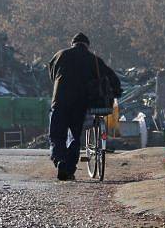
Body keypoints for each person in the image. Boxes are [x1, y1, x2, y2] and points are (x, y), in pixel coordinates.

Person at [48, 33, 121, 180]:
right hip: (80, 103)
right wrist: (117, 92)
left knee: (57, 135)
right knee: (75, 135)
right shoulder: (93, 60)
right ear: (87, 45)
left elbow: (52, 73)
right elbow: (110, 76)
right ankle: (69, 169)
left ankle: (60, 161)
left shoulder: (60, 55)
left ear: (72, 43)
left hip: (60, 101)